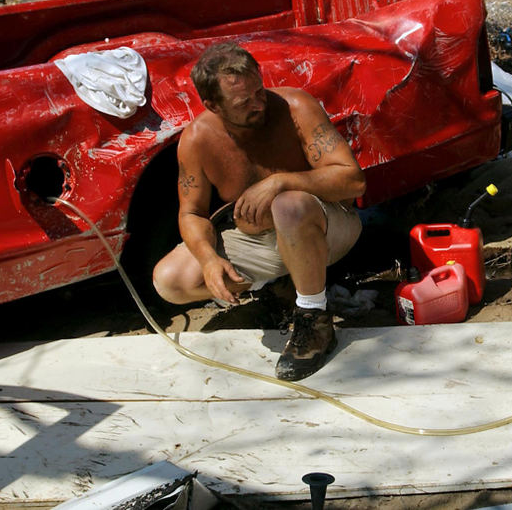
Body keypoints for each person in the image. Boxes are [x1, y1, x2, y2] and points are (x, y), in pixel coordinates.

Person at [152, 43, 365, 381]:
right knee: (171, 281)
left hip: (327, 227)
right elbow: (191, 213)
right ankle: (277, 289)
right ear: (213, 105)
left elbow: (353, 181)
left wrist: (282, 181)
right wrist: (208, 259)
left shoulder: (295, 107)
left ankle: (314, 319)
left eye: (259, 91)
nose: (258, 103)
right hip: (262, 240)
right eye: (243, 102)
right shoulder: (197, 139)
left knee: (288, 205)